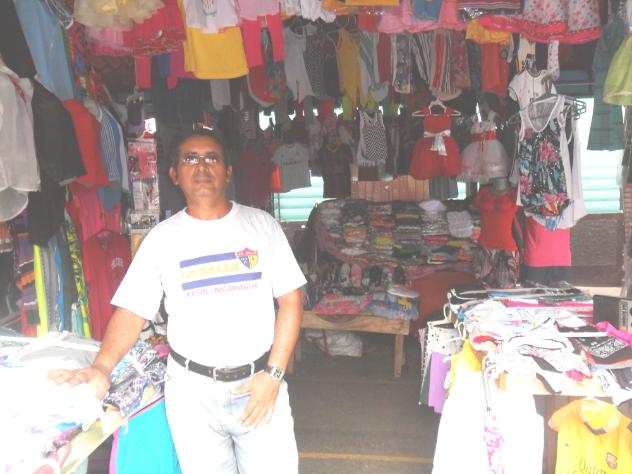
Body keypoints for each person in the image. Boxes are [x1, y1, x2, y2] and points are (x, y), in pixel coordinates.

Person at [49, 128, 306, 473]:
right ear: (174, 174)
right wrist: (101, 368)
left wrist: (273, 375)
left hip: (259, 384)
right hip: (192, 394)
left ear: (228, 172)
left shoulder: (262, 226)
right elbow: (132, 311)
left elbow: (291, 300)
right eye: (190, 159)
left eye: (212, 158)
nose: (202, 166)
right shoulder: (161, 239)